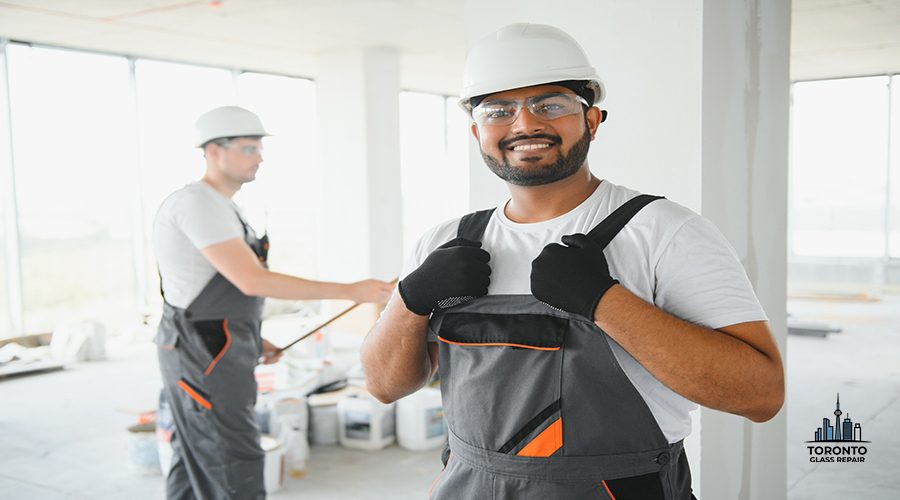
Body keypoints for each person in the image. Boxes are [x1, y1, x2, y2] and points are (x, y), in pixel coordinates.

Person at [360, 23, 784, 499]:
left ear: (592, 120)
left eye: (550, 104)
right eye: (499, 110)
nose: (524, 125)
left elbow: (761, 395)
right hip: (469, 486)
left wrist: (604, 301)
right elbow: (383, 386)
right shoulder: (444, 241)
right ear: (478, 132)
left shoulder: (665, 232)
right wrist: (410, 300)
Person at [153, 105, 393, 499]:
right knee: (230, 456)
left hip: (218, 344)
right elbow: (251, 280)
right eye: (249, 148)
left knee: (195, 452)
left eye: (259, 148)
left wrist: (251, 336)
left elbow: (218, 288)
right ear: (214, 150)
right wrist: (351, 290)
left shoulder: (222, 206)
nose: (260, 157)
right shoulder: (197, 204)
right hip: (201, 351)